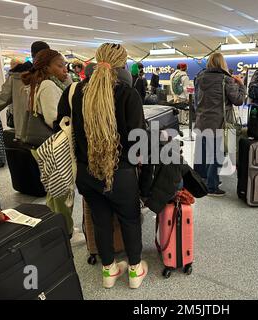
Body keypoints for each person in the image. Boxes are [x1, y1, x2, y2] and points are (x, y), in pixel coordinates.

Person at [56, 43, 148, 289]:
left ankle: (108, 272)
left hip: (86, 172)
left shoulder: (74, 92)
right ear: (122, 64)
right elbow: (139, 139)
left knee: (100, 220)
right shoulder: (128, 94)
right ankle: (135, 271)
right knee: (129, 219)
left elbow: (60, 126)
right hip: (120, 172)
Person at [21, 49, 84, 245]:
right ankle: (65, 232)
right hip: (53, 145)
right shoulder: (48, 85)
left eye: (65, 65)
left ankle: (56, 225)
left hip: (43, 145)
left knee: (53, 189)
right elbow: (53, 119)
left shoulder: (43, 83)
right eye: (59, 65)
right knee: (62, 190)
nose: (65, 69)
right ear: (47, 67)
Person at [194, 52, 245, 197]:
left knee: (202, 153)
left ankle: (202, 181)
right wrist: (241, 85)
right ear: (223, 64)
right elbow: (238, 100)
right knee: (217, 154)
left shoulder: (199, 77)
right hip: (219, 122)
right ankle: (212, 186)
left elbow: (196, 100)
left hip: (201, 120)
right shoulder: (226, 79)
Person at [0, 41, 50, 139]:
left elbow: (1, 99)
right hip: (50, 134)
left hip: (25, 132)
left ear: (32, 55)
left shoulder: (18, 76)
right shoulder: (53, 75)